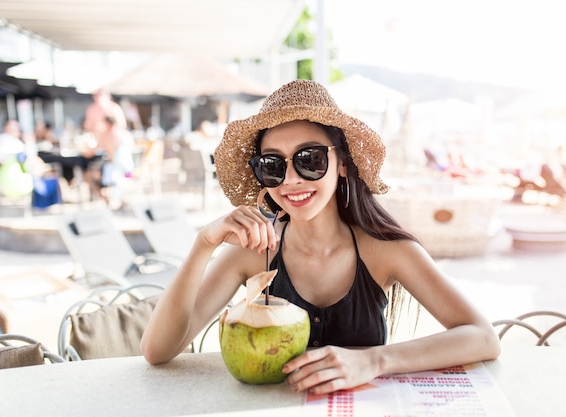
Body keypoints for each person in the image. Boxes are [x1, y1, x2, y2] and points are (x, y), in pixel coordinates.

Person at [141, 80, 500, 394]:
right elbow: (157, 351)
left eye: (309, 159)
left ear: (343, 163)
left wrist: (375, 361)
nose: (291, 180)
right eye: (273, 165)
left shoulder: (386, 252)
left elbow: (482, 337)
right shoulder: (253, 253)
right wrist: (204, 243)